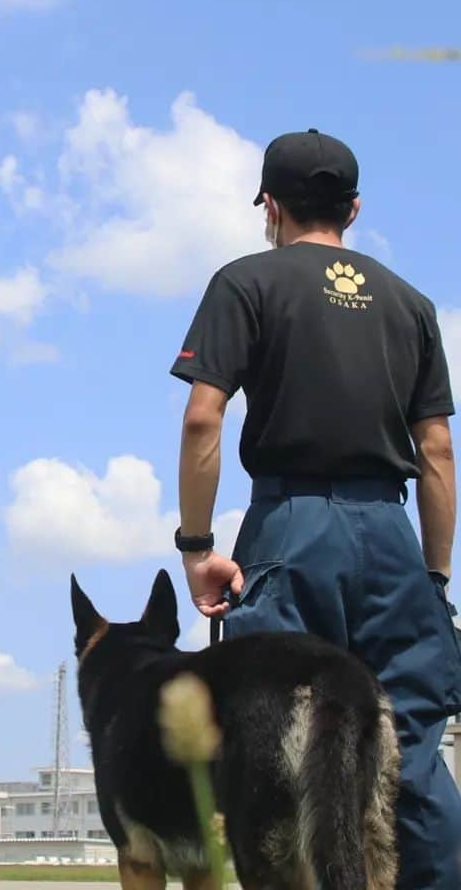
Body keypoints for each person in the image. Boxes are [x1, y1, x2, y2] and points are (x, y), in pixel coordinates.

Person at [170, 128, 461, 889]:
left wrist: (198, 547)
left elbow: (204, 418)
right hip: (392, 533)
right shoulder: (412, 305)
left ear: (269, 204)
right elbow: (436, 452)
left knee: (276, 745)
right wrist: (432, 580)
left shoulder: (247, 283)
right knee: (413, 745)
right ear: (355, 208)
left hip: (292, 529)